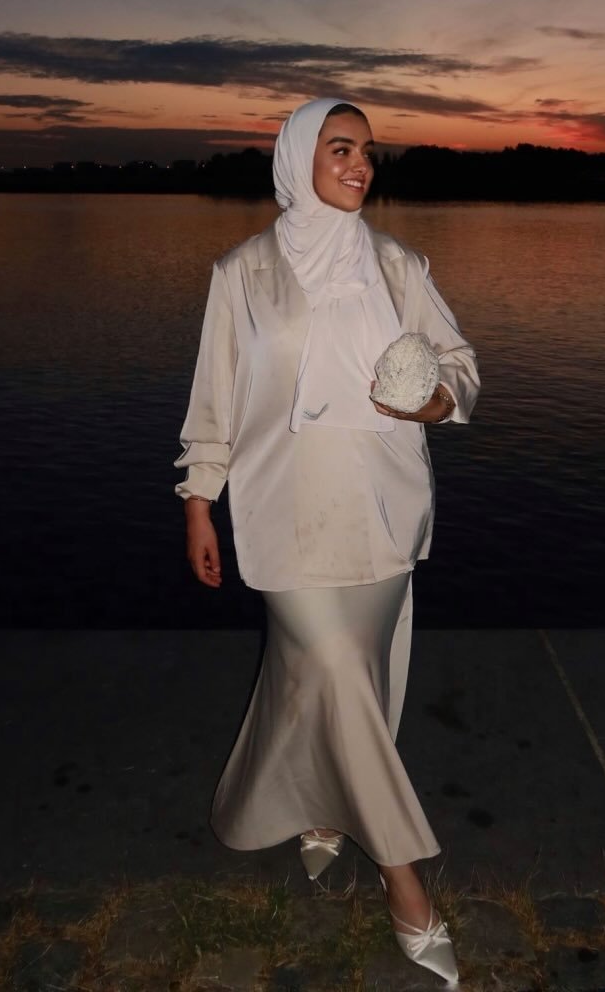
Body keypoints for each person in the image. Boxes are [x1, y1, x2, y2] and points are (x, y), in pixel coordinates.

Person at [174, 97, 479, 986]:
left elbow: (461, 364)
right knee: (334, 663)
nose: (360, 165)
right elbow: (214, 398)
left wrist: (436, 401)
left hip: (382, 507)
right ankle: (403, 880)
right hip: (282, 509)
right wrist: (199, 500)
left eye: (368, 152)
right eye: (340, 148)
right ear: (298, 156)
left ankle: (320, 808)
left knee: (347, 671)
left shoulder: (397, 265)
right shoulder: (242, 273)